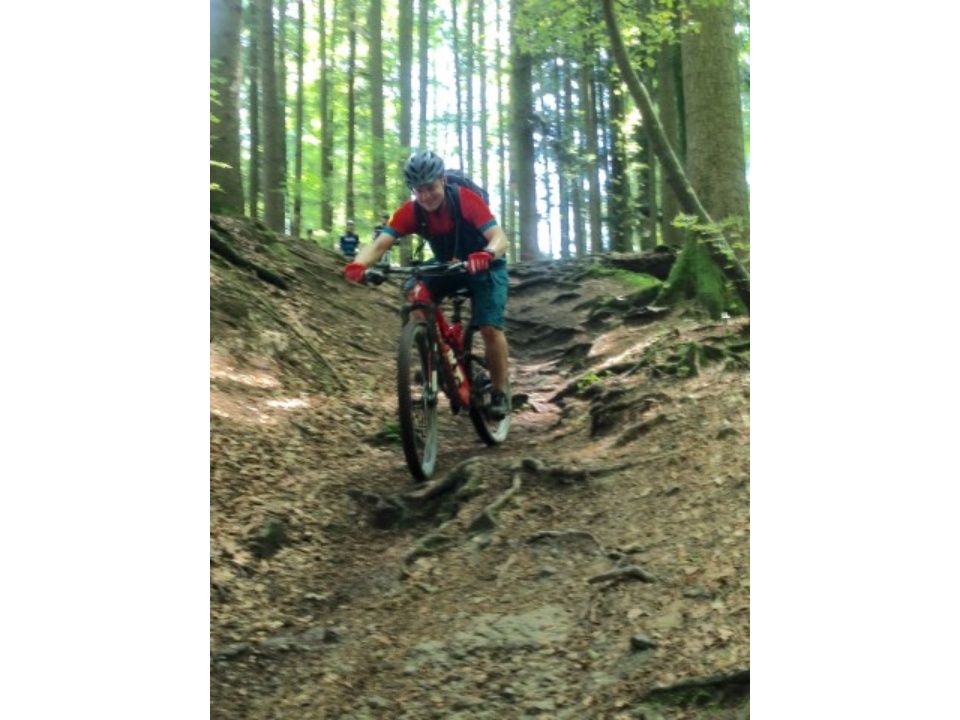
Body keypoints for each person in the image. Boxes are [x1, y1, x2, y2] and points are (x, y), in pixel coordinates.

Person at [343, 151, 511, 419]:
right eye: (418, 190)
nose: (426, 196)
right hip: (448, 264)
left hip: (485, 265)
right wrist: (358, 265)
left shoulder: (465, 200)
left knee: (489, 327)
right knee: (415, 295)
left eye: (430, 187)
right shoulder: (411, 211)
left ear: (443, 180)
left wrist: (487, 253)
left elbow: (499, 238)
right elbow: (380, 244)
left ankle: (500, 392)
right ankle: (433, 359)